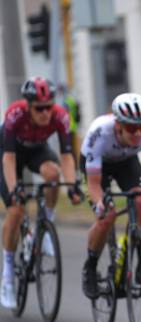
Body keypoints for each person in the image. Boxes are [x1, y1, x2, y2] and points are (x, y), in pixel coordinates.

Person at [80, 93, 141, 299]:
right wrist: (99, 205)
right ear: (118, 125)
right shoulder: (99, 134)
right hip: (98, 168)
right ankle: (91, 265)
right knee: (107, 216)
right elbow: (94, 185)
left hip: (127, 162)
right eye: (132, 128)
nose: (138, 133)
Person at [0, 77, 81, 309]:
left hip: (37, 150)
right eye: (40, 108)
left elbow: (66, 156)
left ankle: (46, 224)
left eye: (49, 106)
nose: (46, 113)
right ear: (28, 105)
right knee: (16, 210)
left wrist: (73, 185)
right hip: (9, 154)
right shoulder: (15, 115)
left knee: (53, 176)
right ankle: (7, 277)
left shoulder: (60, 116)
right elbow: (9, 158)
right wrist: (14, 190)